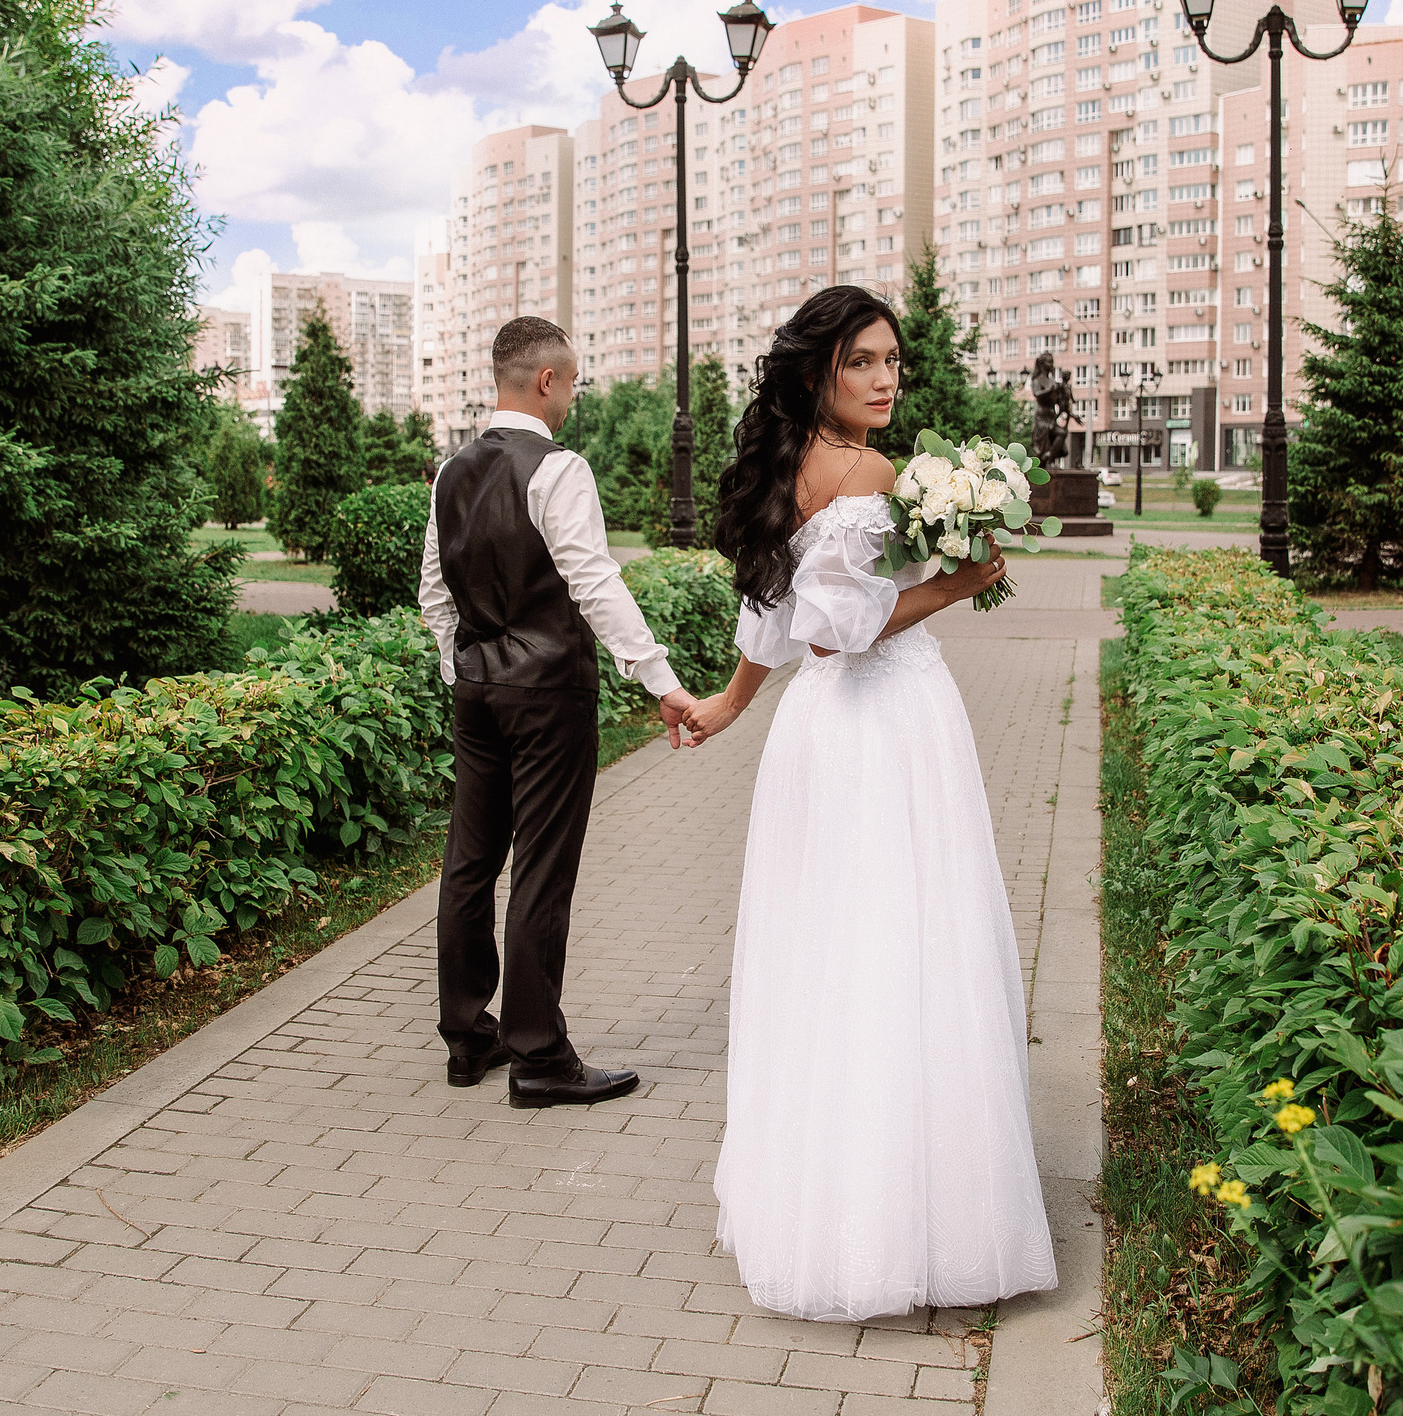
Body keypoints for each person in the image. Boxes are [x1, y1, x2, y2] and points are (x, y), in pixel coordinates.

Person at [678, 285, 1058, 1322]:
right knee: (906, 945)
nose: (885, 379)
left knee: (830, 955)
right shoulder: (866, 472)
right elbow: (839, 630)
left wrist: (725, 705)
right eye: (862, 362)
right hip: (884, 727)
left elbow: (771, 620)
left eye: (892, 360)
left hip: (815, 735)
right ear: (817, 373)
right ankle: (908, 1223)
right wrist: (958, 583)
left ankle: (823, 1204)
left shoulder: (788, 466)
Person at [418, 317, 701, 1108]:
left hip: (475, 691)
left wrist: (461, 667)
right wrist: (660, 680)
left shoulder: (451, 471)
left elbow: (434, 592)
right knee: (541, 867)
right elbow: (594, 581)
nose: (573, 396)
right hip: (548, 693)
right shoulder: (559, 467)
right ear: (546, 380)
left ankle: (468, 1036)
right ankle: (539, 1055)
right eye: (572, 382)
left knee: (469, 861)